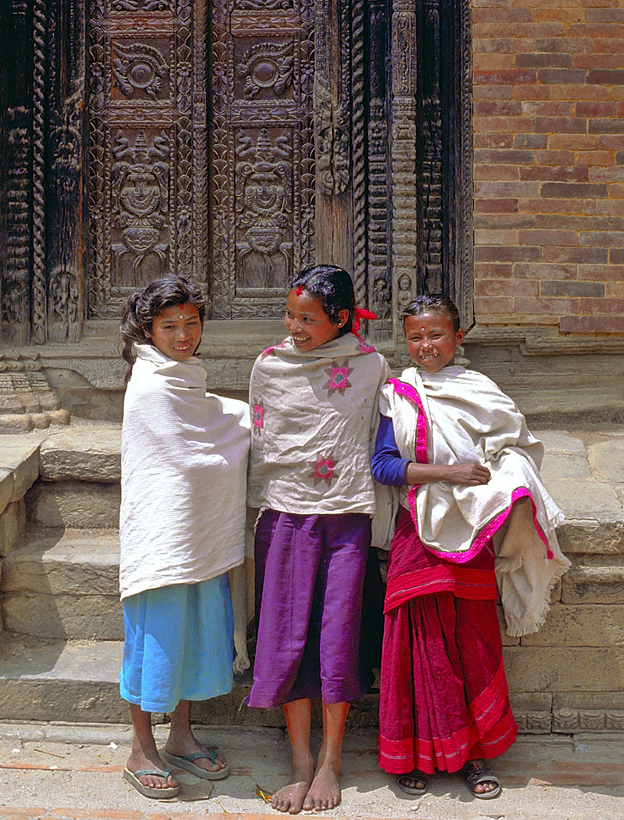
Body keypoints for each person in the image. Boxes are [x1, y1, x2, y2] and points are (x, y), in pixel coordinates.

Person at [372, 293, 569, 801]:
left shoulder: (482, 391)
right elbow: (385, 467)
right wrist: (448, 472)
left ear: (458, 337)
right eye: (415, 336)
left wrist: (501, 486)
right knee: (417, 644)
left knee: (472, 642)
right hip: (417, 529)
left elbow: (516, 450)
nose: (425, 345)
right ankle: (415, 754)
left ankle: (474, 753)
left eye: (436, 334)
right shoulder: (396, 393)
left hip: (473, 531)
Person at [247, 264, 390, 814]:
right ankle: (300, 761)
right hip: (284, 516)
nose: (295, 326)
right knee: (286, 632)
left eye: (308, 319)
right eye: (290, 315)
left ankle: (331, 759)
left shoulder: (370, 365)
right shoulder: (270, 364)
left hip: (345, 517)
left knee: (337, 634)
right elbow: (266, 436)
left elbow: (383, 431)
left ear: (341, 319)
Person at [118, 275, 250, 800]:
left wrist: (242, 423)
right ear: (147, 330)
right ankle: (140, 747)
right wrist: (238, 431)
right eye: (169, 326)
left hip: (197, 532)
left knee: (195, 635)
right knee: (155, 642)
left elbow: (211, 428)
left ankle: (181, 735)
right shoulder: (150, 386)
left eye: (191, 324)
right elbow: (182, 455)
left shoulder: (186, 377)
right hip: (162, 537)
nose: (182, 335)